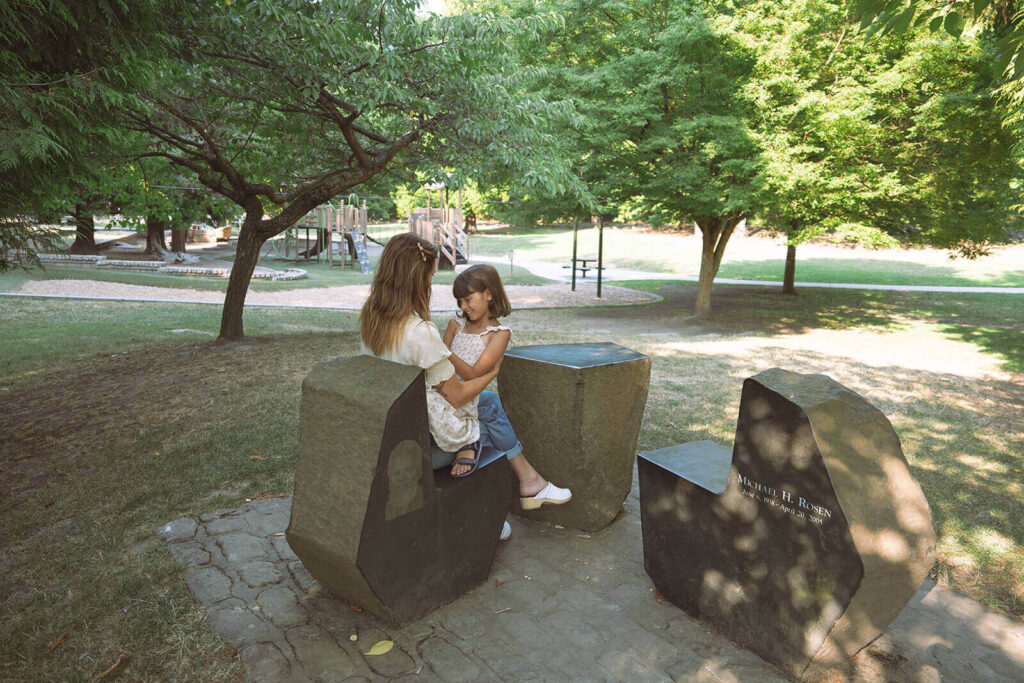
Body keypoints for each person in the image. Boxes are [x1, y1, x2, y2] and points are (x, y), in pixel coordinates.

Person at [359, 233, 571, 513]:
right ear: (416, 277)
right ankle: (523, 483)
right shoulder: (420, 333)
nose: (430, 284)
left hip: (385, 436)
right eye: (430, 276)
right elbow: (457, 397)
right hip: (421, 451)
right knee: (490, 408)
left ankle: (523, 488)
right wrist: (491, 374)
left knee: (487, 405)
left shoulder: (370, 320)